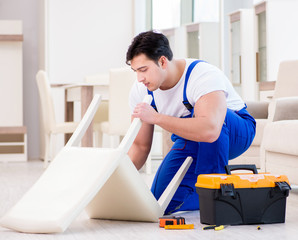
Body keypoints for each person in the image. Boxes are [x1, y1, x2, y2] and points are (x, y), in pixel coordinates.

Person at [126, 30, 256, 214]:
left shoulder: (202, 75)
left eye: (143, 70)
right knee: (159, 203)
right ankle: (211, 194)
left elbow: (210, 130)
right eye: (135, 71)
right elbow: (140, 146)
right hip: (192, 136)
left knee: (206, 116)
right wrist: (116, 178)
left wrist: (155, 117)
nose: (139, 78)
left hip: (235, 130)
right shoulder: (142, 90)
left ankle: (216, 192)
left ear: (162, 61)